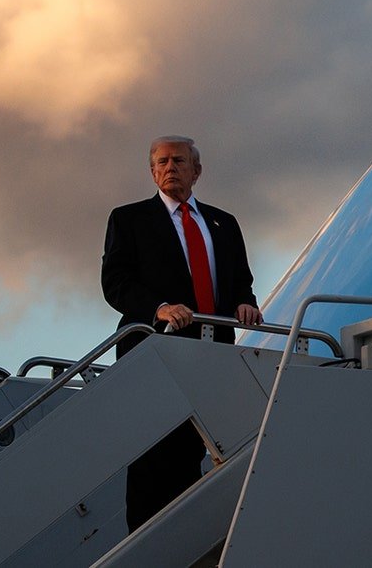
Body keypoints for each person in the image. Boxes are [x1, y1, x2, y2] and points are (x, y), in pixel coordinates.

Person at [101, 134, 263, 532]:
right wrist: (159, 308)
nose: (170, 168)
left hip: (213, 353)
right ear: (153, 171)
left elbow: (241, 280)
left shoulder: (223, 223)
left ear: (197, 171)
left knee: (196, 449)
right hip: (155, 350)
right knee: (151, 452)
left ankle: (189, 535)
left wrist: (245, 301)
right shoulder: (129, 219)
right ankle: (145, 543)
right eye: (161, 162)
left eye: (178, 161)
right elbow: (115, 283)